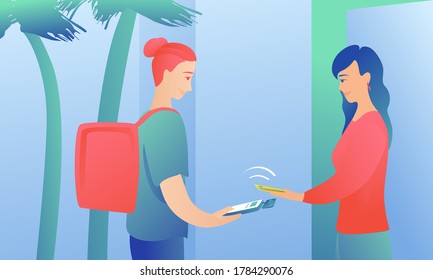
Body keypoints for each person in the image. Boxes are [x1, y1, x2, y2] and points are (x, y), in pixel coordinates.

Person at [266, 45, 392, 260]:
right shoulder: (355, 121)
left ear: (366, 77)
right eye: (339, 81)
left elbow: (347, 182)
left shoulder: (371, 126)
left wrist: (298, 196)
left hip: (367, 235)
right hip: (349, 230)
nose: (340, 87)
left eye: (344, 79)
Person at [127, 37, 241, 260]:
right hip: (161, 238)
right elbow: (174, 195)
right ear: (167, 73)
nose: (189, 87)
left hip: (139, 233)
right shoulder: (168, 122)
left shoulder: (143, 122)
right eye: (186, 77)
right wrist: (211, 220)